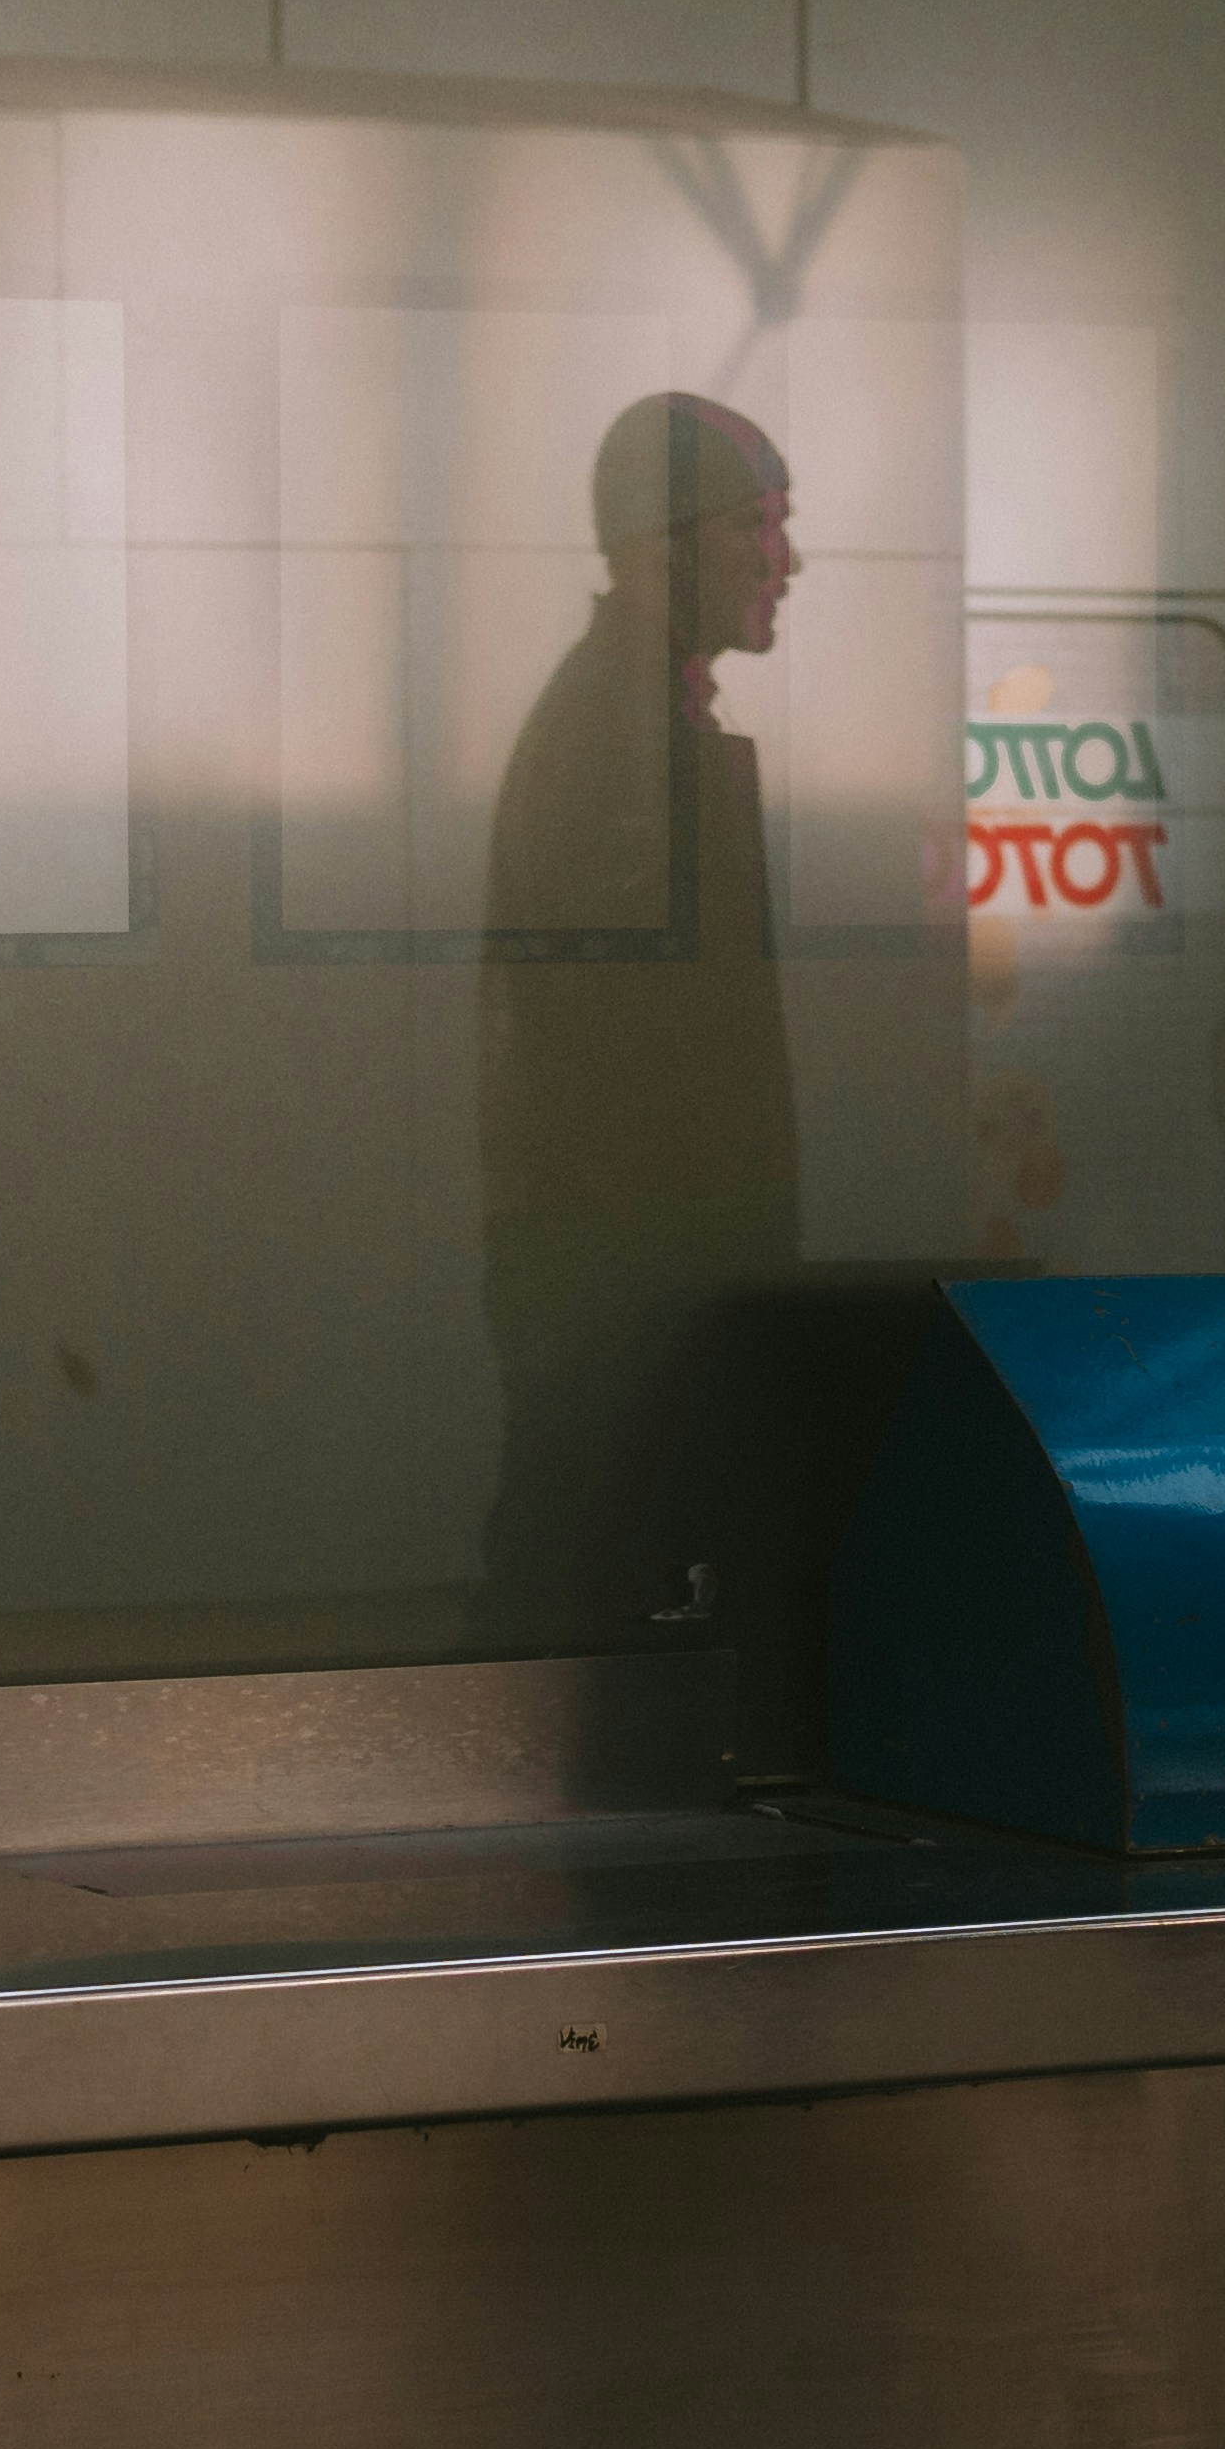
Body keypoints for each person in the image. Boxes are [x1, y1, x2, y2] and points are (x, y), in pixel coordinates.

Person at [478, 390, 802, 1660]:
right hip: (627, 1253)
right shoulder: (618, 744)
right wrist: (711, 1251)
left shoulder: (645, 722)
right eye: (755, 529)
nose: (786, 560)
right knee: (573, 1571)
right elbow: (628, 1045)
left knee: (583, 1556)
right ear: (656, 546)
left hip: (631, 1246)